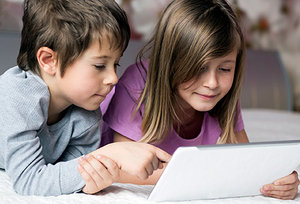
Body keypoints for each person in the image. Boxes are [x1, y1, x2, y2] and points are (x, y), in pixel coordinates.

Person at [83, 0, 299, 200]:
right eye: (199, 68)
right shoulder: (137, 84)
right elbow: (125, 169)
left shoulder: (222, 96)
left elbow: (245, 164)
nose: (212, 83)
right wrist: (213, 174)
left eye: (225, 69)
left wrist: (276, 180)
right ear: (171, 62)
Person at [0, 0, 170, 196]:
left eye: (116, 65)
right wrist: (110, 153)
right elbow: (29, 180)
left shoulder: (86, 113)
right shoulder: (17, 96)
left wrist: (90, 179)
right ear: (49, 60)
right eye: (99, 65)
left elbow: (71, 173)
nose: (113, 78)